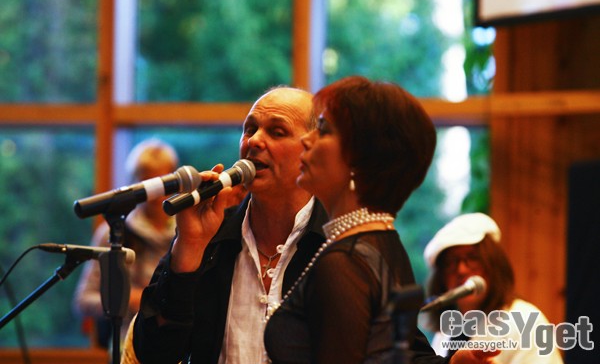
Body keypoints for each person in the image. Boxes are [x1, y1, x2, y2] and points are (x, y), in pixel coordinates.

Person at [263, 76, 495, 363]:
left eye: (323, 130)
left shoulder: (345, 261)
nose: (306, 140)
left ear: (359, 159)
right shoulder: (382, 243)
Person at [131, 86, 330, 363]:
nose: (254, 140)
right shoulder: (211, 235)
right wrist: (190, 247)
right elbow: (154, 354)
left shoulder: (335, 241)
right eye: (250, 129)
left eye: (277, 132)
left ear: (313, 150)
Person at [73, 138, 179, 348]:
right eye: (148, 184)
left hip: (178, 347)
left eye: (162, 183)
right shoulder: (114, 233)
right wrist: (129, 299)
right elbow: (83, 300)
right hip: (127, 346)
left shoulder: (187, 234)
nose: (156, 195)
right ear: (135, 185)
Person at [422, 212, 564, 363]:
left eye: (473, 258)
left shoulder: (525, 320)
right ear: (441, 277)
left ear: (493, 264)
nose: (461, 270)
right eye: (451, 262)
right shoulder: (448, 329)